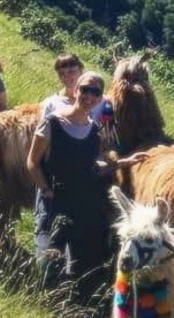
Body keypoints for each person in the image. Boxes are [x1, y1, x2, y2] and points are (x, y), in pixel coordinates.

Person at [26, 71, 116, 303]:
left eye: (95, 92)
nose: (88, 95)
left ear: (99, 99)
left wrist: (123, 163)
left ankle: (66, 306)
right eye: (85, 89)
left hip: (79, 205)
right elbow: (32, 163)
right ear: (76, 90)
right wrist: (45, 189)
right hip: (53, 201)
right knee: (48, 255)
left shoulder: (95, 131)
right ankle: (43, 302)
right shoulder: (53, 123)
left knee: (73, 258)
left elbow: (91, 167)